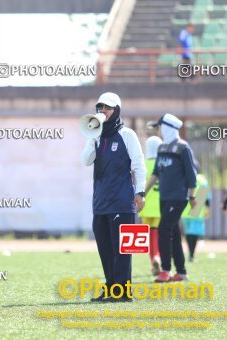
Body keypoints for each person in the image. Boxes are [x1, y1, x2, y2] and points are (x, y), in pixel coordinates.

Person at [81, 92, 146, 302]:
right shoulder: (97, 137)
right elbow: (85, 160)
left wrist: (140, 192)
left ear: (116, 110)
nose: (102, 112)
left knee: (122, 250)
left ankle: (123, 292)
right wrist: (91, 137)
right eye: (100, 108)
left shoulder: (127, 135)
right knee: (105, 249)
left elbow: (138, 165)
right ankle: (111, 288)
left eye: (107, 108)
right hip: (100, 203)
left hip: (121, 202)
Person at [145, 113, 197, 282]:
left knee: (163, 229)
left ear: (166, 127)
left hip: (178, 197)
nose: (158, 131)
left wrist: (192, 196)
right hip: (164, 197)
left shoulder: (183, 147)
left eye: (159, 127)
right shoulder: (161, 148)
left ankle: (165, 270)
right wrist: (142, 193)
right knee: (172, 231)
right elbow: (155, 173)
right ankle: (181, 272)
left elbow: (191, 174)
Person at [138, 136, 163, 275]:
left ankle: (153, 262)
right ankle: (157, 257)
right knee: (157, 235)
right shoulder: (162, 164)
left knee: (147, 236)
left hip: (145, 206)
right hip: (160, 207)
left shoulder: (143, 164)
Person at [181, 159, 211, 262]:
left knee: (188, 232)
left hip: (185, 208)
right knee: (195, 233)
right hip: (197, 207)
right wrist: (207, 209)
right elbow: (206, 198)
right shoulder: (202, 180)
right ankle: (192, 254)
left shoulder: (184, 177)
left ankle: (190, 253)